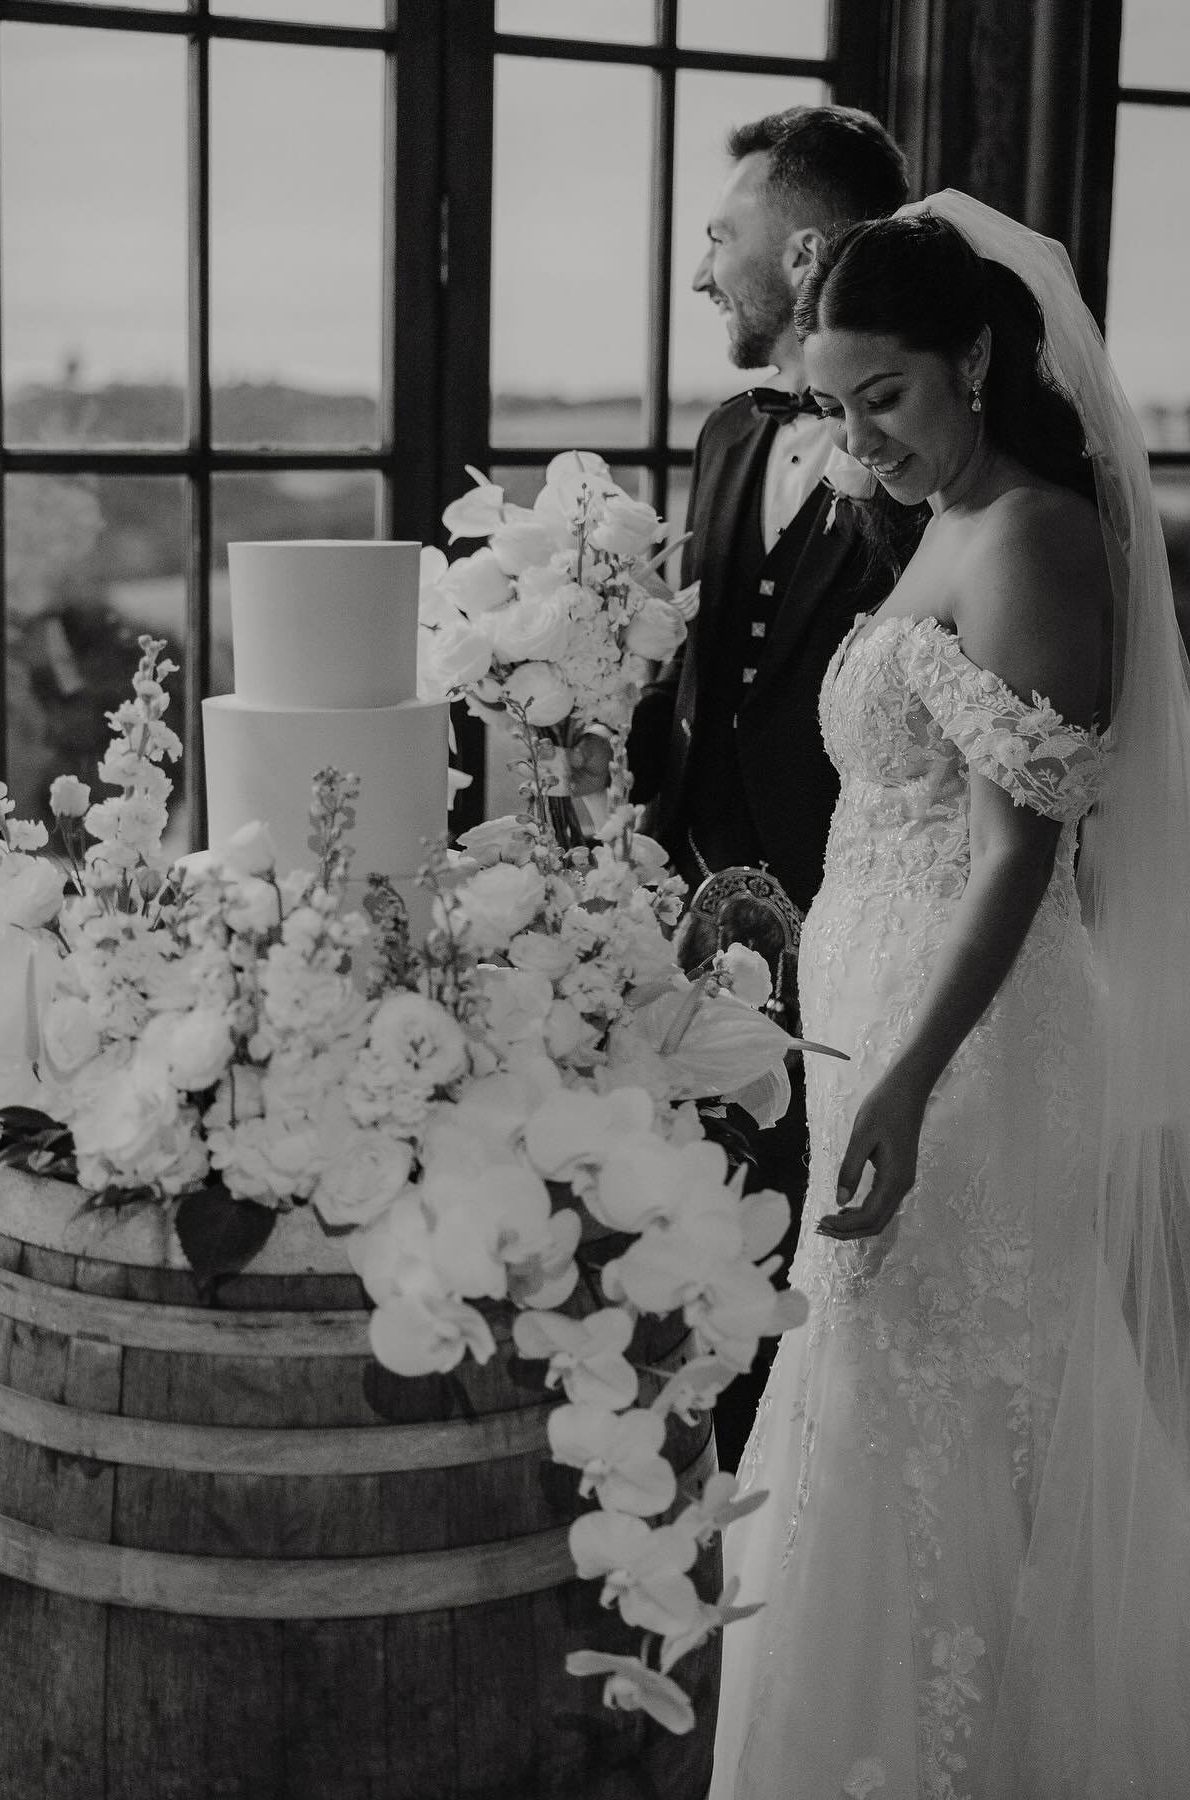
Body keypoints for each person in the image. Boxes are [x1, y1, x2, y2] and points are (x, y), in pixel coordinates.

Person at [708, 194, 1190, 1799]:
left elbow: (1012, 858)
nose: (862, 442)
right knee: (877, 1403)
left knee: (945, 1406)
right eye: (835, 408)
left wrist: (908, 1078)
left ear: (975, 357)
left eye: (887, 400)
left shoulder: (1042, 535)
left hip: (967, 1049)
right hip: (882, 1028)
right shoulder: (938, 522)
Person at [602, 104, 912, 1468]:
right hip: (704, 921)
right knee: (707, 1215)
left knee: (833, 1245)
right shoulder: (731, 433)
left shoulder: (928, 470)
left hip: (863, 917)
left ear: (799, 257)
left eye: (720, 237)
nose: (699, 271)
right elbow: (701, 670)